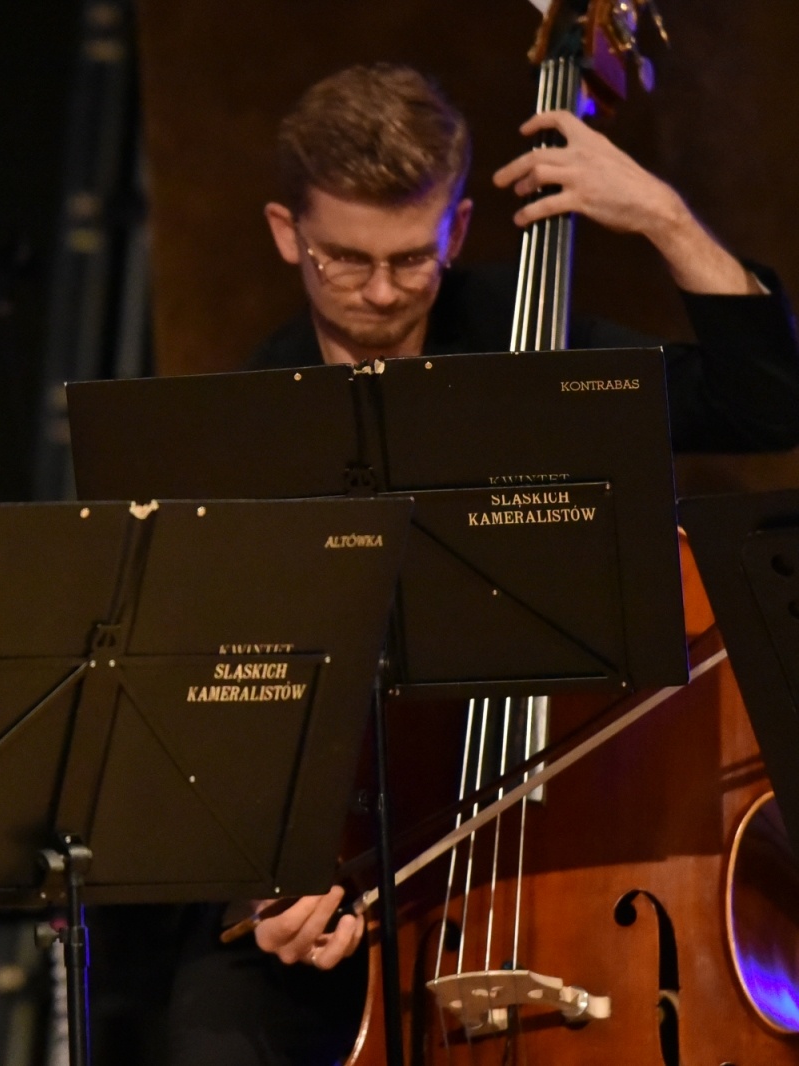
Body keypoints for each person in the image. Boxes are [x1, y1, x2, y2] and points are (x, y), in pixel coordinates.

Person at [167, 63, 799, 1066]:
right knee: (211, 1030)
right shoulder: (238, 428)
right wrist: (263, 889)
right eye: (345, 259)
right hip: (360, 873)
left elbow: (769, 405)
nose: (380, 291)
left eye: (412, 259)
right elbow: (203, 713)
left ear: (456, 231)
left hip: (582, 856)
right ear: (287, 233)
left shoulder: (535, 352)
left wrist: (666, 219)